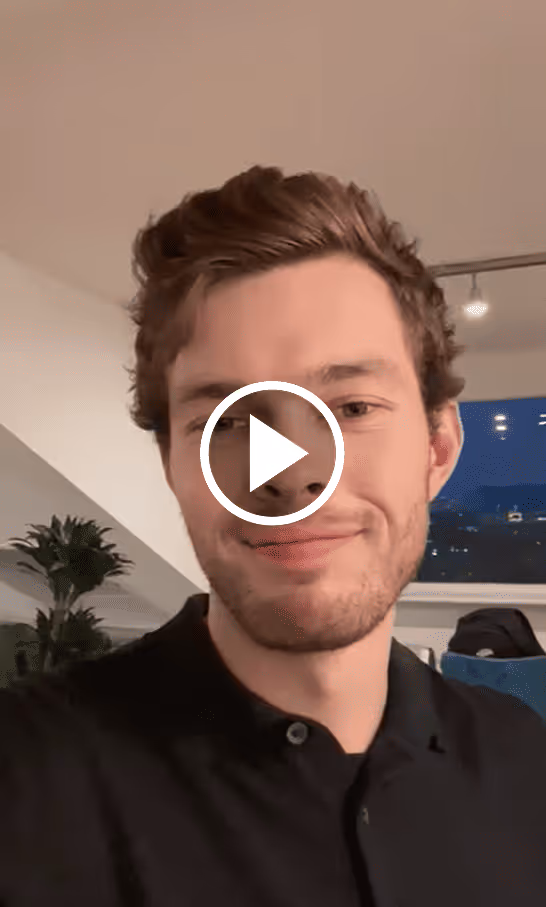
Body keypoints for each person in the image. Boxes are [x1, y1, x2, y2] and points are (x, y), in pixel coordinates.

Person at [1, 166, 545, 907]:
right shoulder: (24, 784)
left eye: (351, 407)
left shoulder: (525, 759)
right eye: (227, 421)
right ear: (172, 464)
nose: (290, 475)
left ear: (438, 447)